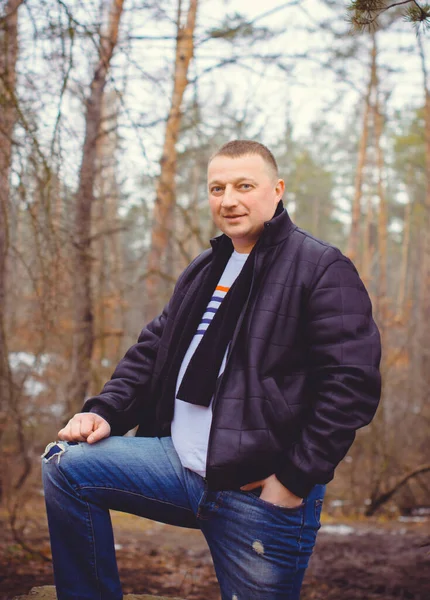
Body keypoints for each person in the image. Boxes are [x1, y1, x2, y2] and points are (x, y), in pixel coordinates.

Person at [42, 140, 382, 600]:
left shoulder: (321, 267)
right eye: (217, 188)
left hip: (259, 496)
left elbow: (351, 384)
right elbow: (152, 351)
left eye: (244, 186)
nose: (229, 200)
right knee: (65, 466)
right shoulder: (206, 268)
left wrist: (296, 478)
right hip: (178, 469)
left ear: (276, 189)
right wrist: (105, 411)